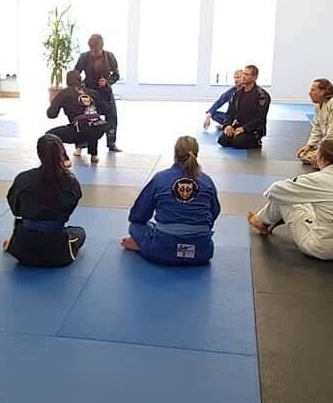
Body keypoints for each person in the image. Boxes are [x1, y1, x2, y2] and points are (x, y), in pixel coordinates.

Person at [248, 139, 333, 260]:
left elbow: (272, 192)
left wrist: (308, 178)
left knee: (285, 198)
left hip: (323, 248)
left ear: (321, 158)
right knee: (307, 200)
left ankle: (261, 222)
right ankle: (269, 220)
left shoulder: (318, 180)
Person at [122, 136, 220, 266]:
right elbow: (215, 212)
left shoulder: (161, 178)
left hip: (163, 249)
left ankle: (146, 246)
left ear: (175, 154)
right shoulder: (207, 181)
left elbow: (139, 214)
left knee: (135, 226)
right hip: (201, 252)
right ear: (196, 154)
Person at [2, 134, 86, 267]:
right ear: (61, 154)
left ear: (39, 153)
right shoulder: (70, 182)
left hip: (22, 250)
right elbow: (69, 209)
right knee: (80, 232)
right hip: (57, 253)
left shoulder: (23, 178)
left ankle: (13, 243)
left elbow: (15, 210)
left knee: (24, 225)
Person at [46, 71, 109, 164]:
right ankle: (94, 155)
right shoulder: (92, 92)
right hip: (99, 130)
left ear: (67, 81)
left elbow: (51, 114)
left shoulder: (64, 93)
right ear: (80, 80)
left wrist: (54, 102)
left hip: (81, 130)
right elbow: (106, 109)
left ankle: (65, 159)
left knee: (50, 136)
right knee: (91, 119)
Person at [73, 33, 121, 152]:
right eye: (91, 50)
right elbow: (75, 73)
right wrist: (79, 86)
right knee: (85, 117)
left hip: (105, 92)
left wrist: (107, 82)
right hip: (89, 91)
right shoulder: (84, 57)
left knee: (112, 116)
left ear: (101, 47)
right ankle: (82, 144)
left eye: (95, 50)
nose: (93, 53)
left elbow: (116, 75)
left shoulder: (110, 56)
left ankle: (111, 143)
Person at [217, 65, 270, 150]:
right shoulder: (237, 94)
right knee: (222, 140)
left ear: (254, 77)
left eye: (247, 74)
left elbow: (260, 117)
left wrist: (244, 129)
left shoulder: (262, 96)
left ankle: (256, 140)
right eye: (243, 74)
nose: (243, 76)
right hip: (238, 126)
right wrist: (228, 125)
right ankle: (238, 137)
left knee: (237, 142)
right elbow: (230, 112)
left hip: (254, 129)